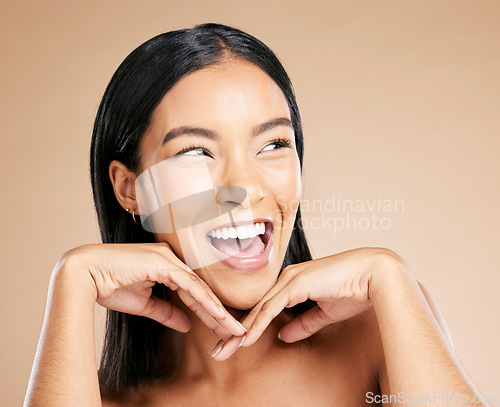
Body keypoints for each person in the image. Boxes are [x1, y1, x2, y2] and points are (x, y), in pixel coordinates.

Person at [24, 23, 485, 406]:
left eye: (273, 144)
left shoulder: (381, 327)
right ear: (130, 190)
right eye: (196, 152)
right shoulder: (92, 396)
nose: (244, 188)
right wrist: (73, 278)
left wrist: (391, 276)